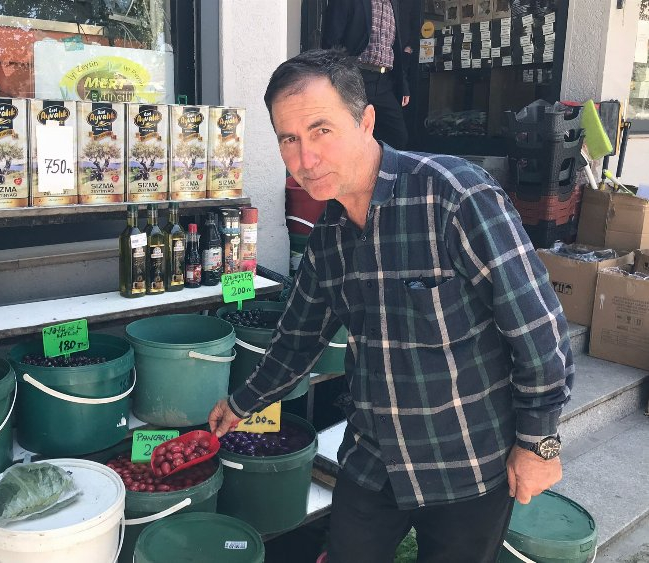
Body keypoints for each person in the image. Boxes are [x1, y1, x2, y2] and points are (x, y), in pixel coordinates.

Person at [208, 49, 573, 563]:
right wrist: (241, 402)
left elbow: (538, 328)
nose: (305, 159)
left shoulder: (454, 195)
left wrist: (538, 443)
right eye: (288, 139)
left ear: (366, 121)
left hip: (468, 460)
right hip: (374, 460)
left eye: (321, 130)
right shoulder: (328, 238)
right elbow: (297, 340)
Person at [322, 0, 421, 150]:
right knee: (352, 136)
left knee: (397, 136)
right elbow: (330, 42)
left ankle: (379, 165)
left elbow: (394, 48)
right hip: (354, 77)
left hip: (384, 81)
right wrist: (336, 78)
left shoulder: (393, 4)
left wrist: (404, 85)